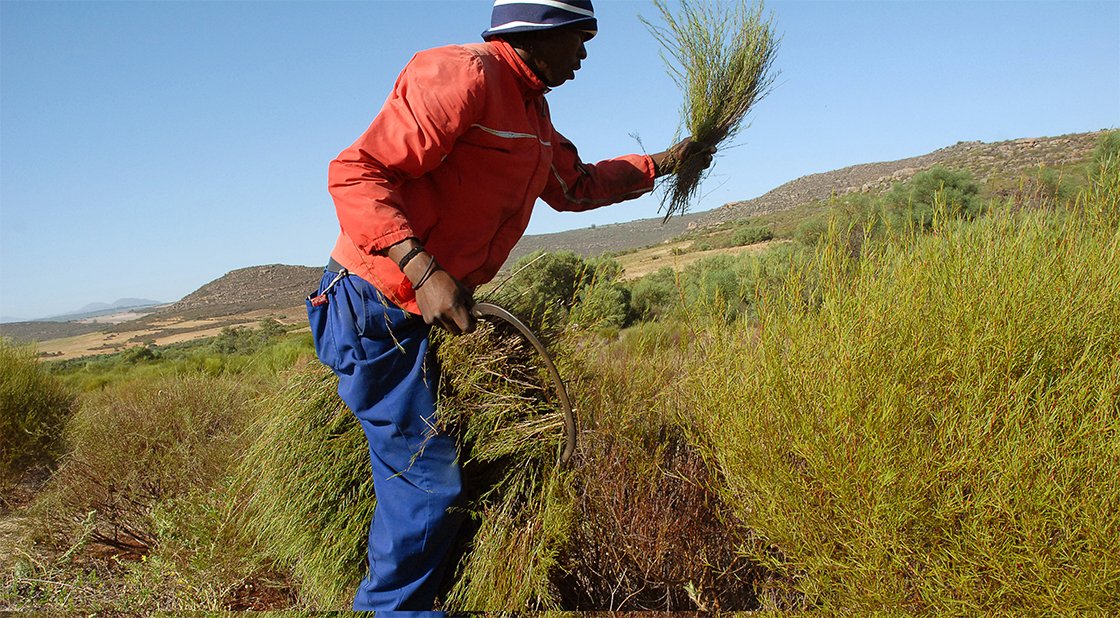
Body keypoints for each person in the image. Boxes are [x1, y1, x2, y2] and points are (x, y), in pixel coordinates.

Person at [307, 0, 714, 611]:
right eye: (579, 39)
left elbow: (575, 186)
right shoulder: (463, 74)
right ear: (539, 32)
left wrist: (663, 163)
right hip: (375, 304)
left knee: (442, 466)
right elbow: (356, 172)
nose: (583, 56)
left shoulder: (532, 111)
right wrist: (422, 269)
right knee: (425, 476)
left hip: (419, 308)